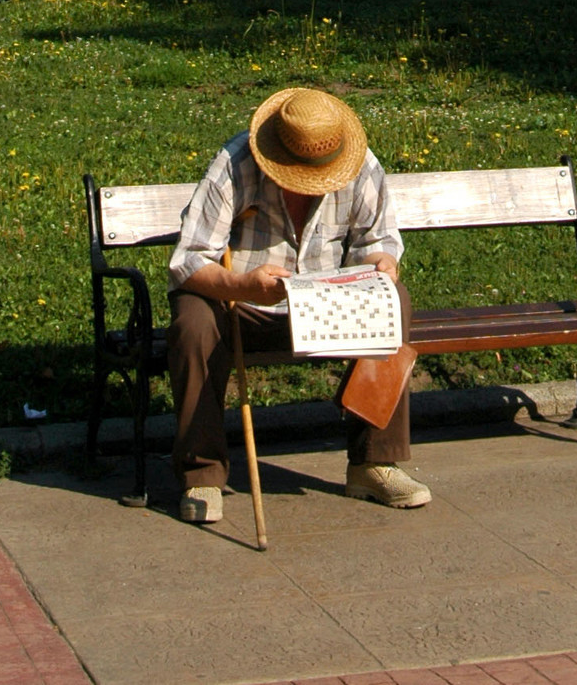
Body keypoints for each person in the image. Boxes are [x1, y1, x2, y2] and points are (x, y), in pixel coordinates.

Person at [168, 86, 431, 523]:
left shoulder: (361, 164)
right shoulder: (235, 164)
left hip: (326, 307)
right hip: (244, 306)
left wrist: (382, 263)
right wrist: (243, 286)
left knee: (394, 301)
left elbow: (378, 241)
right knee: (193, 318)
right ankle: (202, 474)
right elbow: (188, 260)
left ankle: (373, 462)